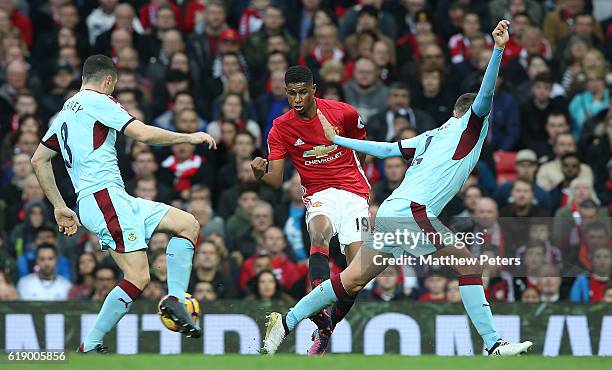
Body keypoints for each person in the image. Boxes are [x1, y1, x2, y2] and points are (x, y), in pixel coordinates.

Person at [262, 20, 532, 357]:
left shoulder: (432, 135)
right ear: (471, 114)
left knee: (352, 279)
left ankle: (285, 322)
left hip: (393, 209)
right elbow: (487, 93)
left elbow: (388, 149)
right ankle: (493, 343)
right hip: (412, 211)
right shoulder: (471, 125)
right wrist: (498, 50)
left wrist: (338, 140)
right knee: (469, 266)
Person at [30, 55, 217, 353]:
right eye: (113, 87)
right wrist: (190, 137)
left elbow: (38, 159)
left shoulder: (64, 113)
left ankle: (175, 299)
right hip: (104, 198)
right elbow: (142, 134)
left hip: (111, 199)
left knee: (187, 224)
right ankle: (90, 345)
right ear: (108, 82)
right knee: (139, 276)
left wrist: (58, 205)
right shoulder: (101, 102)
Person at [251, 65, 370, 355]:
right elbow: (276, 179)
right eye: (291, 94)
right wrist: (258, 174)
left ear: (314, 90)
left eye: (303, 92)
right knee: (319, 233)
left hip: (356, 193)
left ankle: (326, 329)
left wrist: (351, 173)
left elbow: (363, 149)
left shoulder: (344, 113)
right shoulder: (281, 127)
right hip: (319, 194)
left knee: (360, 275)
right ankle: (320, 313)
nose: (297, 99)